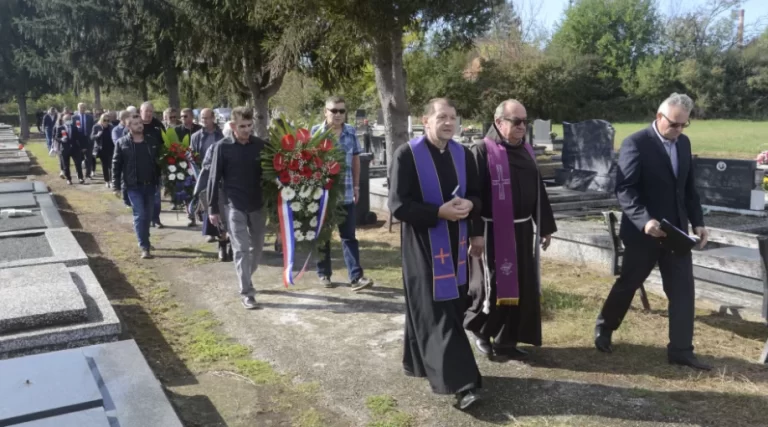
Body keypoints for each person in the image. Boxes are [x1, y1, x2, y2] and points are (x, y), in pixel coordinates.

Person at [594, 93, 711, 370]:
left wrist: (699, 222)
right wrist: (645, 220)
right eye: (674, 124)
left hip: (676, 234)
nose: (679, 130)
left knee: (683, 291)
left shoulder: (683, 144)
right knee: (629, 283)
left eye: (684, 125)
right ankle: (605, 327)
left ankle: (681, 350)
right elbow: (625, 189)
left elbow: (688, 190)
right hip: (643, 233)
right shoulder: (636, 143)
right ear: (659, 117)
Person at [388, 98, 483, 410]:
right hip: (423, 243)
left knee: (447, 308)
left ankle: (415, 361)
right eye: (442, 117)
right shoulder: (408, 155)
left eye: (453, 118)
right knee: (437, 312)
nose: (448, 123)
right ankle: (462, 384)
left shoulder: (463, 154)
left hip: (457, 243)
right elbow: (399, 205)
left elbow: (477, 194)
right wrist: (437, 212)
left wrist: (472, 211)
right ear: (425, 120)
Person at [463, 100, 557, 359]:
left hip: (522, 229)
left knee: (521, 286)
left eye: (525, 121)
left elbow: (538, 188)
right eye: (516, 122)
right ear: (499, 122)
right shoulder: (482, 150)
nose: (522, 126)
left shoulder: (526, 149)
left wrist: (545, 226)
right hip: (493, 232)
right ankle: (482, 332)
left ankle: (507, 340)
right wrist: (475, 233)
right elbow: (473, 195)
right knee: (493, 286)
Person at [311, 96, 374, 291]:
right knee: (324, 237)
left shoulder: (350, 132)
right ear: (325, 112)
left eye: (341, 111)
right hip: (323, 196)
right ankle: (324, 274)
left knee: (349, 236)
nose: (338, 115)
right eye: (334, 111)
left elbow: (356, 160)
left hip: (346, 193)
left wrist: (356, 187)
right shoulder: (316, 133)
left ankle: (356, 277)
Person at [207, 107, 267, 310]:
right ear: (233, 125)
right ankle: (247, 293)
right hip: (234, 206)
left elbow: (272, 172)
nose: (247, 130)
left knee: (257, 249)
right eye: (242, 126)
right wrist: (213, 208)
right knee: (241, 250)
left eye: (250, 126)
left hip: (258, 205)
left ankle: (246, 278)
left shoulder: (260, 145)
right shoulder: (222, 147)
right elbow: (214, 179)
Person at [112, 113, 161, 259]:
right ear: (128, 126)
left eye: (140, 123)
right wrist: (116, 186)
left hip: (151, 185)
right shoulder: (122, 143)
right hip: (133, 186)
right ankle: (144, 247)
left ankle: (146, 239)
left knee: (148, 215)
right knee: (140, 215)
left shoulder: (152, 141)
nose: (139, 125)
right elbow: (116, 165)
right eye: (135, 123)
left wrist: (162, 181)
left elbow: (159, 163)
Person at [191, 108, 225, 235]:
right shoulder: (195, 137)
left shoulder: (221, 135)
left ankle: (220, 231)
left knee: (217, 202)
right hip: (203, 173)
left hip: (219, 174)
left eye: (206, 118)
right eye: (202, 118)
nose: (204, 120)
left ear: (213, 118)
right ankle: (211, 231)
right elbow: (192, 155)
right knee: (206, 201)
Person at [140, 102, 166, 228]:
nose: (149, 114)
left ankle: (155, 218)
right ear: (141, 112)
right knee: (142, 196)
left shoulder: (158, 125)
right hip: (139, 167)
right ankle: (144, 218)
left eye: (151, 111)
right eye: (146, 111)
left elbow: (164, 143)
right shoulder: (136, 124)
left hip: (155, 166)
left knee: (156, 195)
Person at [54, 113, 85, 185]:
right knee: (66, 165)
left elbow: (79, 138)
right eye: (66, 119)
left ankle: (80, 178)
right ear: (63, 120)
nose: (68, 120)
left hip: (75, 149)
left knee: (78, 164)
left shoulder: (75, 127)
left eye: (69, 119)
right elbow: (56, 137)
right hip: (65, 149)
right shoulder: (60, 128)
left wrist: (82, 147)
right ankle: (68, 179)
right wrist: (61, 139)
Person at [73, 103, 96, 180]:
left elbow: (93, 128)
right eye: (81, 107)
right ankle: (79, 173)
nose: (82, 109)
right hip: (78, 140)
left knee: (89, 158)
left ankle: (88, 174)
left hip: (88, 139)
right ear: (78, 108)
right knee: (78, 158)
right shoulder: (74, 117)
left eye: (84, 107)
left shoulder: (90, 117)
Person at [91, 114, 115, 188]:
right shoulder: (96, 126)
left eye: (108, 120)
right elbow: (92, 137)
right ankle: (107, 181)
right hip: (102, 149)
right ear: (101, 120)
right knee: (105, 166)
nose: (106, 122)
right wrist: (98, 135)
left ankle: (111, 181)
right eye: (104, 120)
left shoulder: (111, 127)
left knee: (111, 165)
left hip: (111, 148)